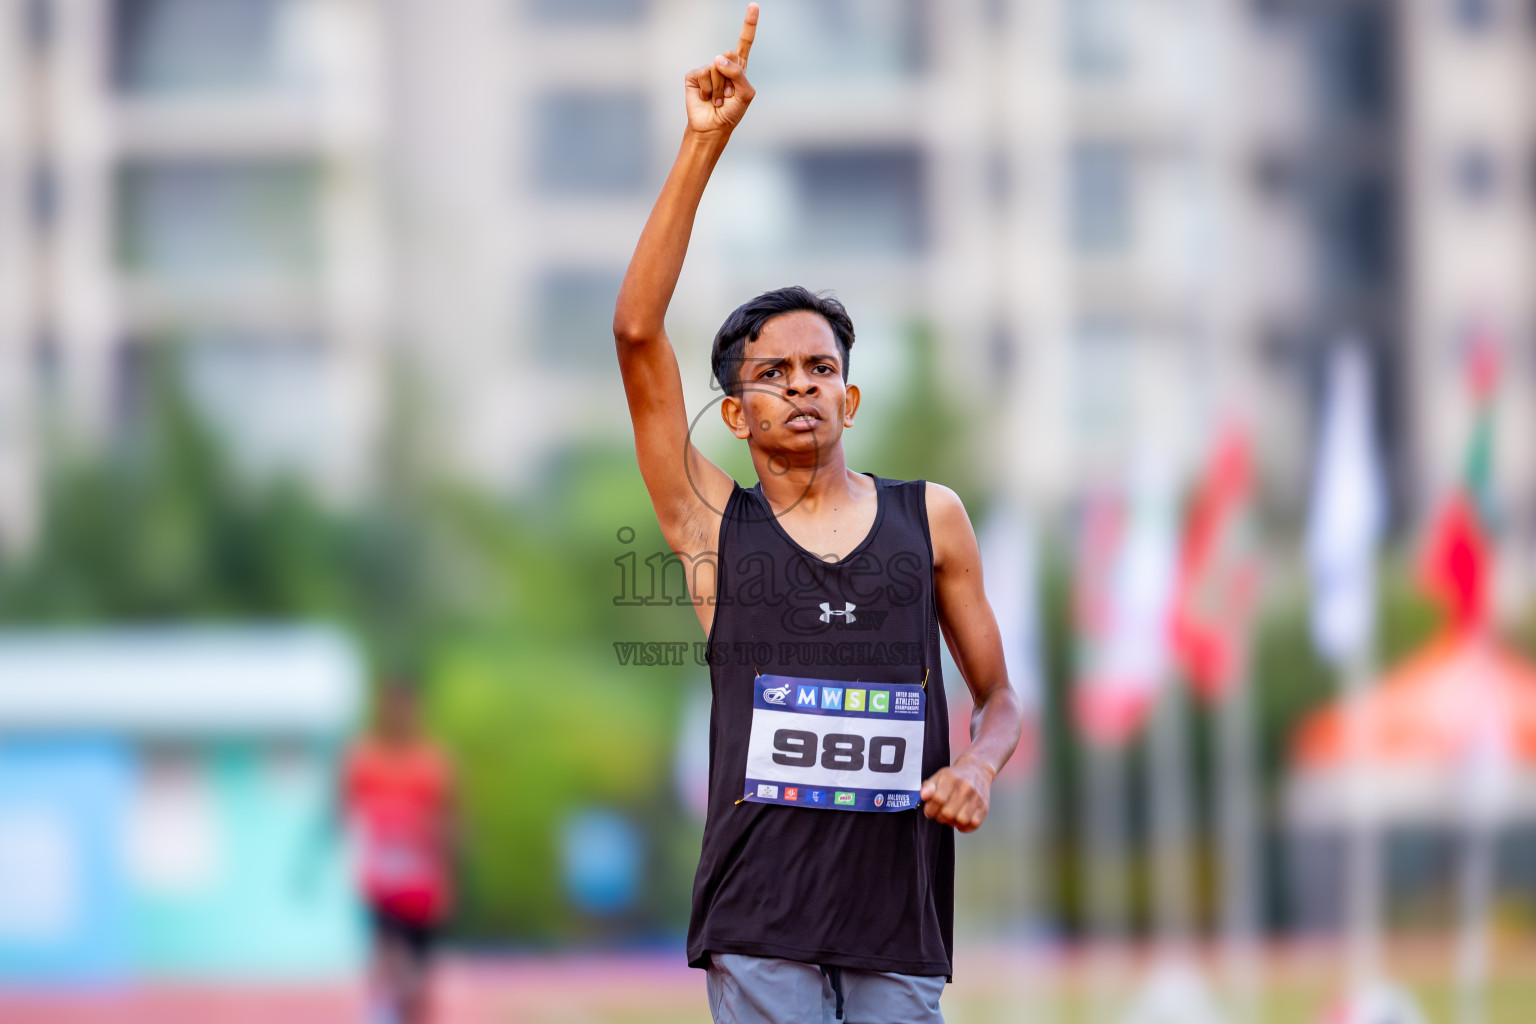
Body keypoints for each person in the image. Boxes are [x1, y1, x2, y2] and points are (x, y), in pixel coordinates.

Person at [611, 6, 1026, 1021]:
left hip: (899, 928)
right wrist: (702, 143)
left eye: (822, 369)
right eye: (773, 373)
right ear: (739, 411)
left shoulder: (931, 521)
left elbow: (1002, 699)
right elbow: (635, 330)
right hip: (762, 926)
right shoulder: (714, 528)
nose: (801, 386)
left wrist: (975, 761)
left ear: (851, 398)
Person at [343, 680, 456, 1024]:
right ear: (382, 709)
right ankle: (382, 1011)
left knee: (419, 979)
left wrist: (451, 870)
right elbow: (342, 811)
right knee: (387, 958)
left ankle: (409, 1012)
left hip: (423, 888)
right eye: (392, 706)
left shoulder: (433, 763)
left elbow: (452, 821)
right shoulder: (365, 760)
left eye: (406, 707)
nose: (399, 714)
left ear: (417, 711)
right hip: (382, 884)